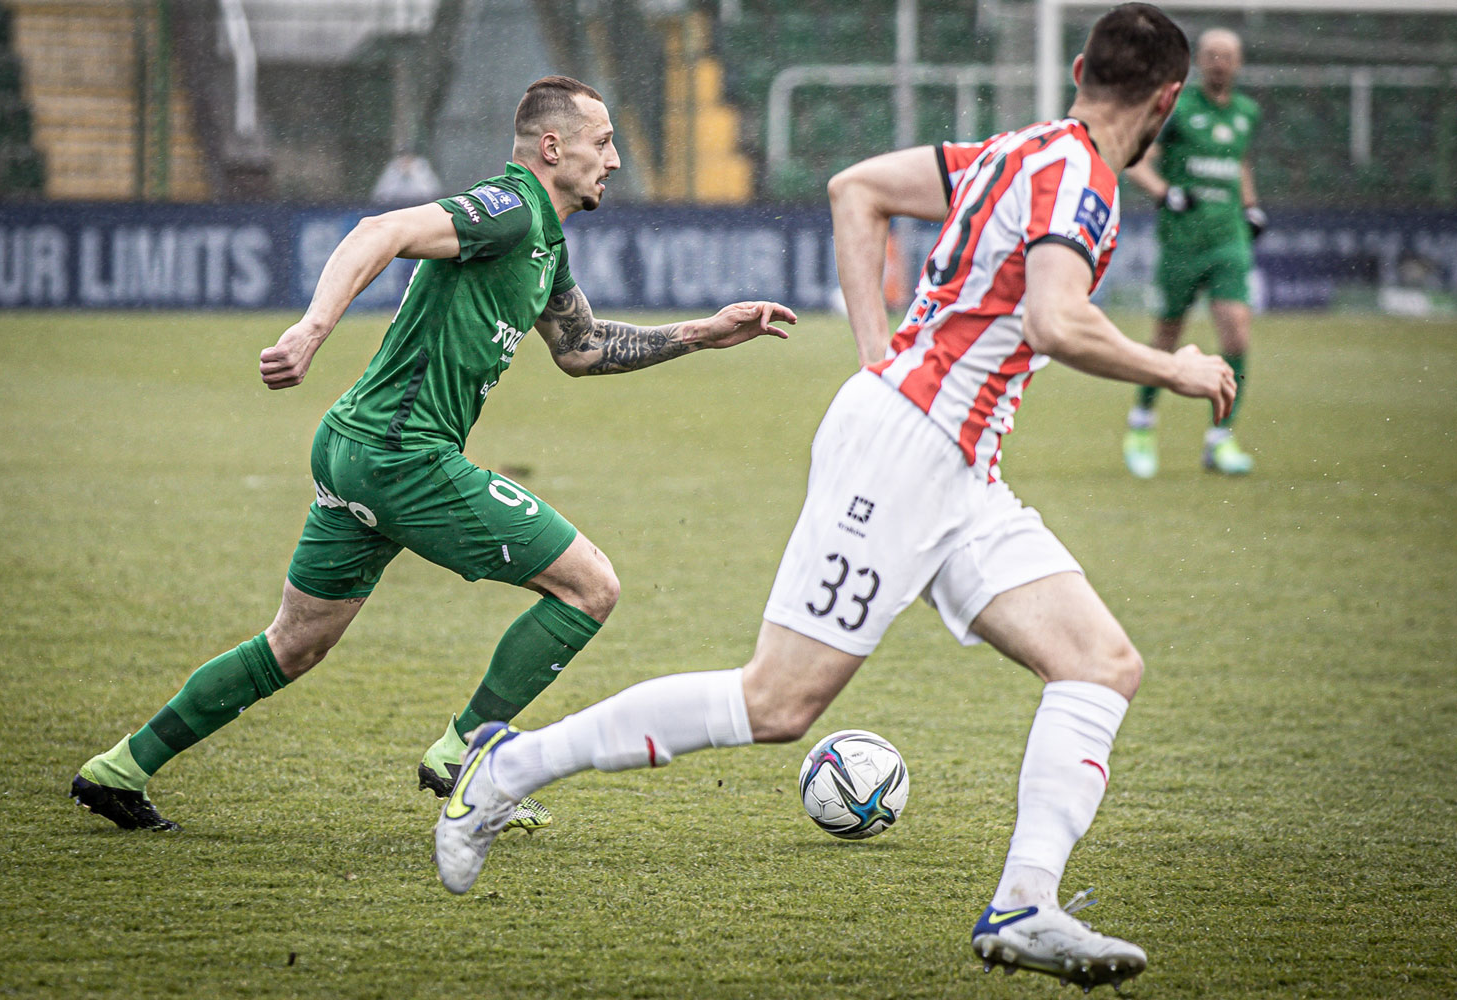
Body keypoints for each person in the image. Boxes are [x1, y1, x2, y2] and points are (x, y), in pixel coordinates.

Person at [433, 6, 1233, 991]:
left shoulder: (1015, 150)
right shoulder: (1085, 181)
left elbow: (855, 189)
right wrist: (1178, 367)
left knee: (1100, 664)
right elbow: (1056, 319)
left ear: (1078, 69)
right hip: (908, 452)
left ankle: (1027, 902)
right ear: (1168, 99)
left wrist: (878, 359)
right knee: (776, 703)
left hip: (952, 465)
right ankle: (500, 772)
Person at [69, 75, 796, 835]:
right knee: (590, 587)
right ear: (554, 148)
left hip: (355, 448)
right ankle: (465, 756)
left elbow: (580, 349)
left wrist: (702, 334)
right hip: (402, 457)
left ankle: (119, 769)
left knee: (293, 644)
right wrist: (311, 331)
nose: (612, 160)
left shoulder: (544, 238)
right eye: (602, 142)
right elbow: (377, 233)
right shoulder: (509, 209)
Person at [1122, 27, 1264, 477]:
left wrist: (1251, 205)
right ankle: (1141, 423)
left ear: (1238, 64)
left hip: (1229, 241)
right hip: (1183, 242)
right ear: (1199, 62)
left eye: (1227, 55)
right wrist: (1166, 194)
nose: (1219, 62)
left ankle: (1220, 438)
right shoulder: (1177, 110)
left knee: (1237, 335)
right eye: (1211, 55)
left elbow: (1239, 161)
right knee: (1166, 339)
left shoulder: (1246, 112)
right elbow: (1134, 160)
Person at [370, 148, 445, 206]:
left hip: (419, 208)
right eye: (403, 160)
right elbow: (381, 196)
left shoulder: (422, 168)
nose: (405, 163)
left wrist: (414, 173)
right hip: (394, 208)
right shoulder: (393, 169)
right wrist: (398, 174)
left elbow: (431, 194)